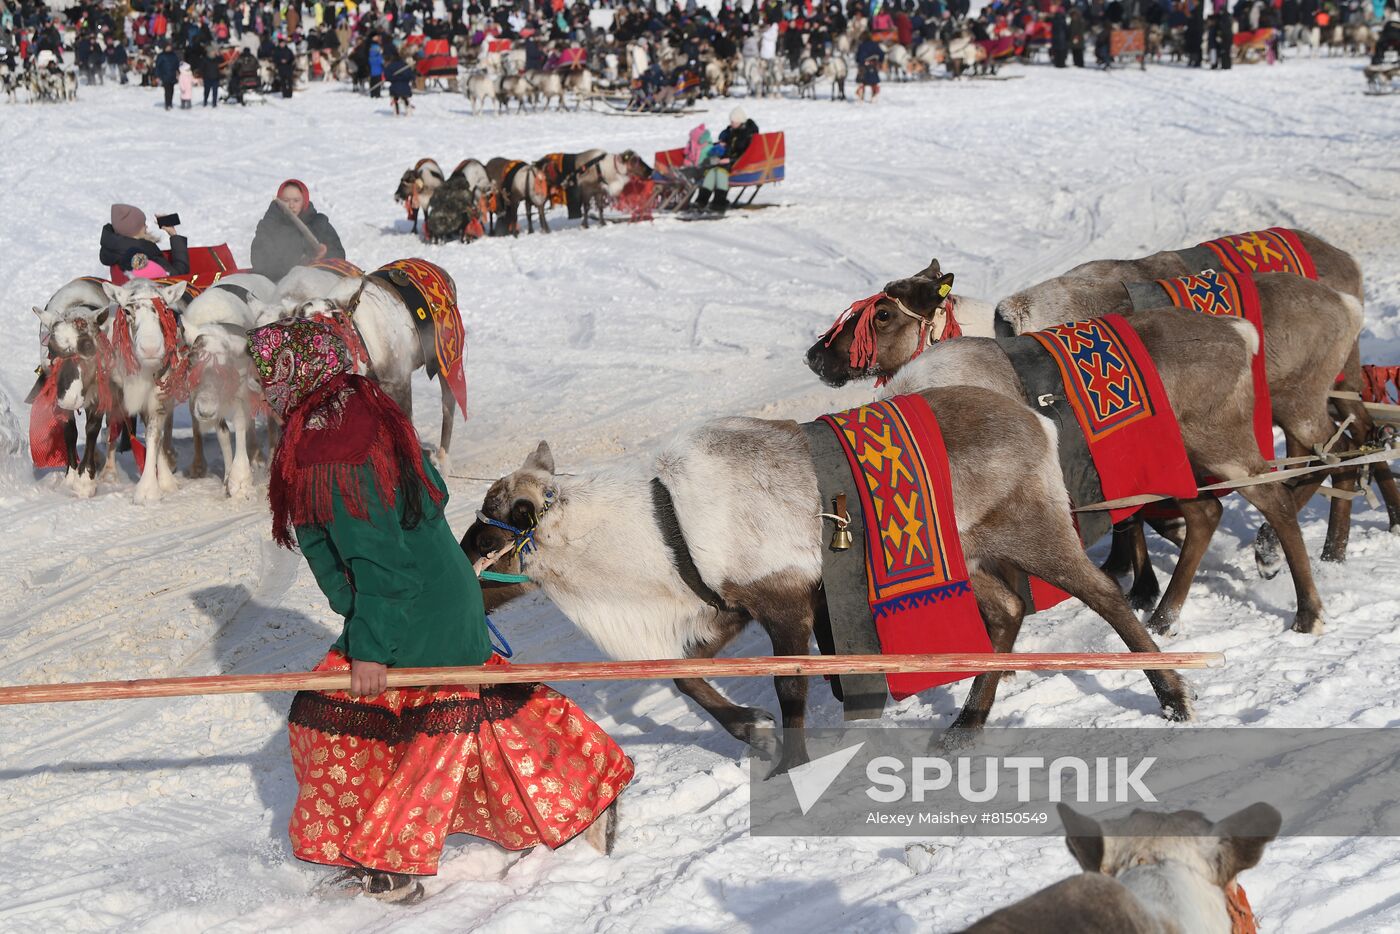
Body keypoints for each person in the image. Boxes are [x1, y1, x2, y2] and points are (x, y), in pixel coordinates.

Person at [245, 319, 633, 904]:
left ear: (293, 375)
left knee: (380, 727)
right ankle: (584, 783)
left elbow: (381, 563)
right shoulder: (354, 414)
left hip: (413, 606)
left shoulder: (338, 452)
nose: (257, 390)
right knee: (459, 713)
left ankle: (389, 860)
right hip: (427, 594)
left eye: (263, 377)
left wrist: (370, 648)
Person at [250, 179, 346, 282]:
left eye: (296, 200)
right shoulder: (269, 224)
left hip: (316, 283)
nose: (291, 205)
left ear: (304, 201)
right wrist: (298, 261)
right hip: (277, 283)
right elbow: (258, 261)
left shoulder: (319, 223)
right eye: (286, 200)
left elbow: (339, 256)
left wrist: (324, 254)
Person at [691, 106, 758, 215]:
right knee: (711, 172)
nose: (731, 124)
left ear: (740, 121)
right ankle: (701, 201)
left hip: (739, 163)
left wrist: (730, 160)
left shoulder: (747, 135)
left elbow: (746, 153)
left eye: (734, 122)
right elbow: (728, 145)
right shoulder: (731, 131)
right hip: (726, 161)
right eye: (731, 121)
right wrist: (722, 145)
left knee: (720, 173)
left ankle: (719, 203)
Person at [99, 203, 190, 276]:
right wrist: (173, 234)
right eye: (143, 224)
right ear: (134, 230)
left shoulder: (115, 252)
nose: (146, 226)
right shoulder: (144, 257)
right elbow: (178, 276)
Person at [385, 48, 415, 114]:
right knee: (405, 96)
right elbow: (412, 76)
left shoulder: (390, 66)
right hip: (406, 87)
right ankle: (408, 108)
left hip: (394, 87)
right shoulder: (405, 66)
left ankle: (396, 110)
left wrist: (393, 79)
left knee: (395, 96)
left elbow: (387, 77)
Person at [855, 30, 883, 101]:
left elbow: (858, 57)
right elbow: (881, 54)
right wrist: (880, 61)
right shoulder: (875, 44)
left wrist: (859, 62)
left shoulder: (861, 46)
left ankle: (861, 95)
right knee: (874, 82)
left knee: (861, 83)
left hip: (862, 67)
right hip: (872, 66)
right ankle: (874, 96)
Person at [154, 41, 179, 109]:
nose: (169, 48)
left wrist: (178, 72)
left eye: (169, 47)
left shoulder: (174, 55)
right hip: (165, 75)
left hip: (172, 75)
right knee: (167, 90)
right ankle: (167, 104)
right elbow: (158, 66)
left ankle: (170, 102)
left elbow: (177, 64)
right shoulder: (161, 56)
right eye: (167, 47)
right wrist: (157, 76)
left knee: (172, 90)